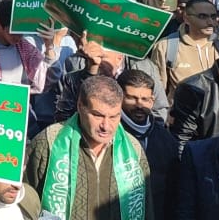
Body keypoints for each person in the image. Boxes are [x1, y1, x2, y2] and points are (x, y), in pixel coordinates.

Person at [24, 75, 152, 220]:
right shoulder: (49, 143)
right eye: (98, 115)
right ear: (80, 106)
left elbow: (146, 210)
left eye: (114, 117)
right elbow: (25, 203)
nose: (106, 126)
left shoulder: (133, 150)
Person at [118, 68, 178, 219]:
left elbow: (174, 188)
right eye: (132, 98)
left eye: (145, 99)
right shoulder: (108, 134)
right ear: (119, 97)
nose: (139, 105)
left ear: (152, 101)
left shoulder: (165, 139)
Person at [149, 0, 219, 99]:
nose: (210, 22)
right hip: (180, 108)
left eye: (213, 17)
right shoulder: (166, 46)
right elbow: (158, 92)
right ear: (186, 18)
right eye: (202, 16)